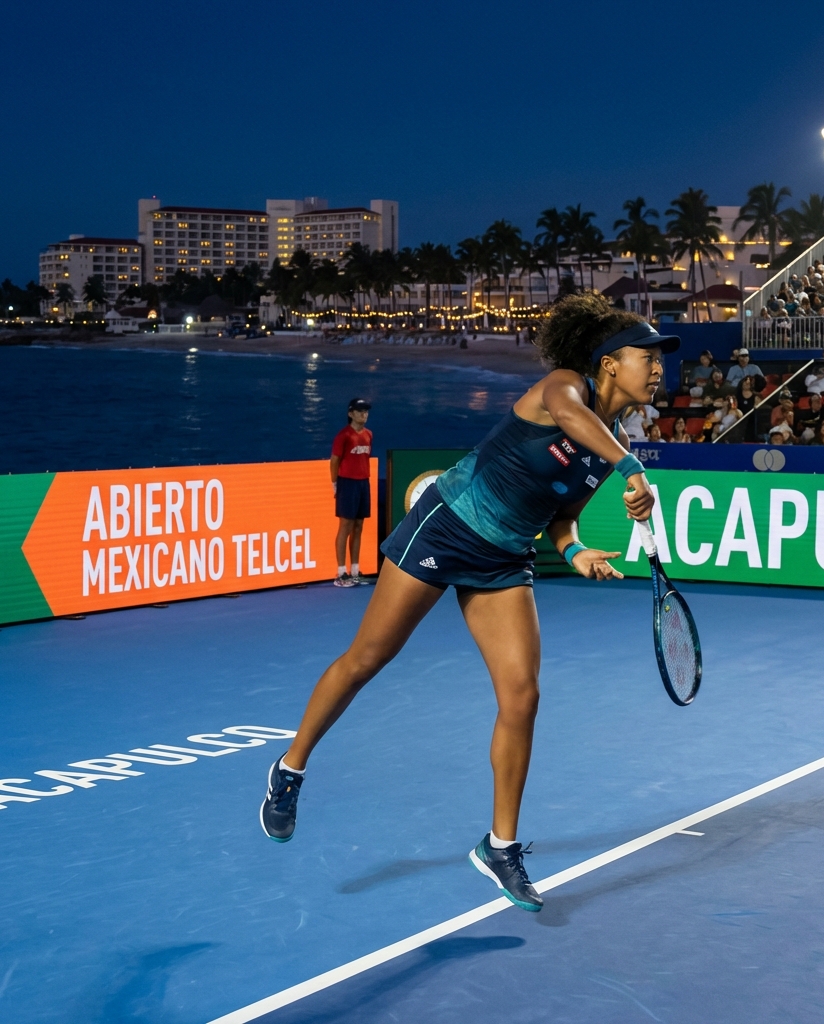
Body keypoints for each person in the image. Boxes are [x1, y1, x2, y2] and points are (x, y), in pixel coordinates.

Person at [258, 294, 670, 914]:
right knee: (368, 658)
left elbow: (561, 518)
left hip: (504, 560)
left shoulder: (609, 443)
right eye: (648, 356)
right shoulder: (564, 387)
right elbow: (571, 417)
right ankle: (290, 769)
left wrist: (577, 549)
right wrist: (631, 468)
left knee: (522, 696)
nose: (659, 368)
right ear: (610, 363)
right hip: (447, 527)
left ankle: (500, 847)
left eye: (660, 359)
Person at [331, 398, 374, 587]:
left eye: (366, 411)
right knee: (345, 526)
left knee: (358, 526)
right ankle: (341, 573)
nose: (364, 414)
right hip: (347, 484)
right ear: (350, 414)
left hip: (363, 483)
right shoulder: (344, 436)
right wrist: (335, 483)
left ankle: (355, 571)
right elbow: (334, 460)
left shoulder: (369, 434)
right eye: (359, 411)